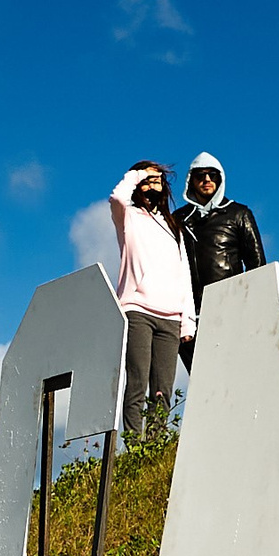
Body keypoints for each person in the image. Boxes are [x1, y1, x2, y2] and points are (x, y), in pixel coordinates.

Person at [109, 161, 195, 437]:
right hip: (138, 311)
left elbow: (185, 274)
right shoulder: (128, 217)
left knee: (163, 388)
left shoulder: (174, 228)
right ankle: (134, 446)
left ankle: (154, 445)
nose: (152, 184)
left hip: (170, 317)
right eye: (147, 180)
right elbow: (116, 197)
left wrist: (188, 320)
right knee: (137, 382)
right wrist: (138, 174)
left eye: (157, 180)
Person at [170, 151, 267, 368]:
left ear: (220, 178)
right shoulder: (178, 220)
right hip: (190, 315)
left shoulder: (238, 213)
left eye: (212, 175)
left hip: (230, 307)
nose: (206, 180)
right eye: (200, 176)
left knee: (235, 370)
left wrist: (255, 308)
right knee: (201, 378)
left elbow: (257, 265)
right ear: (190, 180)